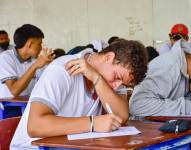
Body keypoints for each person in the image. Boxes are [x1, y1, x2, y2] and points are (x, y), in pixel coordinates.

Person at [11, 39, 148, 149]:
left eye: (123, 84)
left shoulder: (106, 78)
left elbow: (121, 116)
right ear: (109, 57)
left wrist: (97, 78)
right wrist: (92, 124)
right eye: (117, 77)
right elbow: (35, 126)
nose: (117, 86)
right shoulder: (63, 69)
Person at [130, 39, 191, 118]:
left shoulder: (185, 71)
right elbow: (138, 105)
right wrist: (186, 107)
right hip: (144, 127)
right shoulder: (169, 66)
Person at [0, 24, 54, 98]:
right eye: (39, 44)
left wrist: (51, 65)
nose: (41, 48)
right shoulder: (5, 58)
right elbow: (15, 91)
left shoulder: (35, 60)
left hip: (29, 104)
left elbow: (49, 83)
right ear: (29, 44)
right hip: (10, 107)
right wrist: (35, 66)